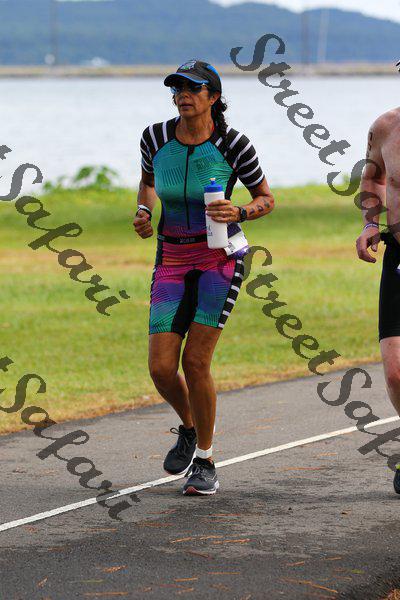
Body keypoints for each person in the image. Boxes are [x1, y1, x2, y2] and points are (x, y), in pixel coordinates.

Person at [134, 59, 275, 496]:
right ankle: (190, 426)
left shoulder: (234, 144)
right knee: (161, 368)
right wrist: (143, 210)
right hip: (171, 260)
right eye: (176, 88)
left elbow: (266, 198)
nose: (183, 95)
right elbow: (148, 182)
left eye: (192, 89)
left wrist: (241, 210)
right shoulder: (155, 137)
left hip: (219, 259)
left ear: (213, 96)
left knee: (195, 362)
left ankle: (206, 460)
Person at [357, 106, 400, 493]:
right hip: (399, 256)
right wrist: (371, 222)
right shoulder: (385, 128)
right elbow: (373, 178)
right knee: (395, 373)